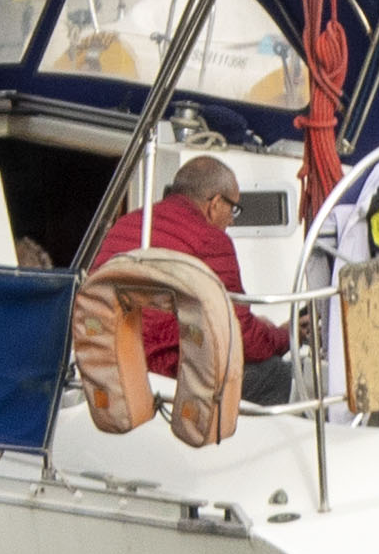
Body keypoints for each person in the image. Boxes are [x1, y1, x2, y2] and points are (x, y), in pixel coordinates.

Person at [116, 151, 291, 389]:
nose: (232, 221)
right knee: (275, 373)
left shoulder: (127, 222)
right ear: (215, 203)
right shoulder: (211, 240)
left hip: (111, 360)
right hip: (160, 374)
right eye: (234, 209)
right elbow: (243, 340)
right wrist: (286, 336)